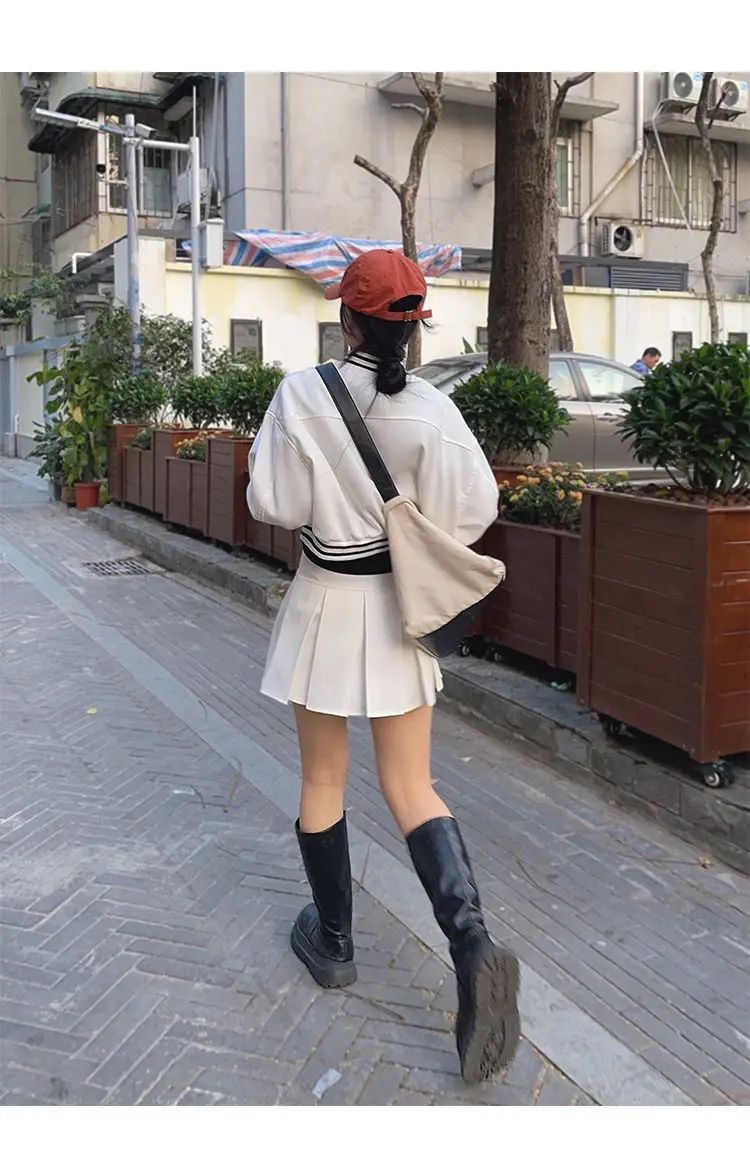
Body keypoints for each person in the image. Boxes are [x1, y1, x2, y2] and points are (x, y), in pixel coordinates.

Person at [246, 249, 520, 1084]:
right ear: (414, 327)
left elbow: (274, 504)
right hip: (399, 612)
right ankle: (471, 945)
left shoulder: (300, 394)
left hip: (324, 603)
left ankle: (334, 943)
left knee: (322, 779)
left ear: (348, 319)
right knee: (411, 784)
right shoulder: (433, 407)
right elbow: (474, 509)